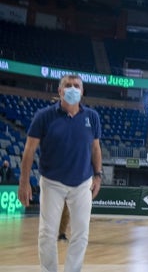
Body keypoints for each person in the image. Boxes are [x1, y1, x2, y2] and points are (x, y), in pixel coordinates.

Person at [17, 74, 103, 272]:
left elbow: (95, 148)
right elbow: (29, 150)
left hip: (82, 183)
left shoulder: (92, 117)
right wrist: (24, 181)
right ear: (59, 91)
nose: (72, 89)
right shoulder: (44, 116)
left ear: (82, 91)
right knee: (47, 233)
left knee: (81, 233)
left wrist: (98, 175)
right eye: (68, 85)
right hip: (52, 182)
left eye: (76, 86)